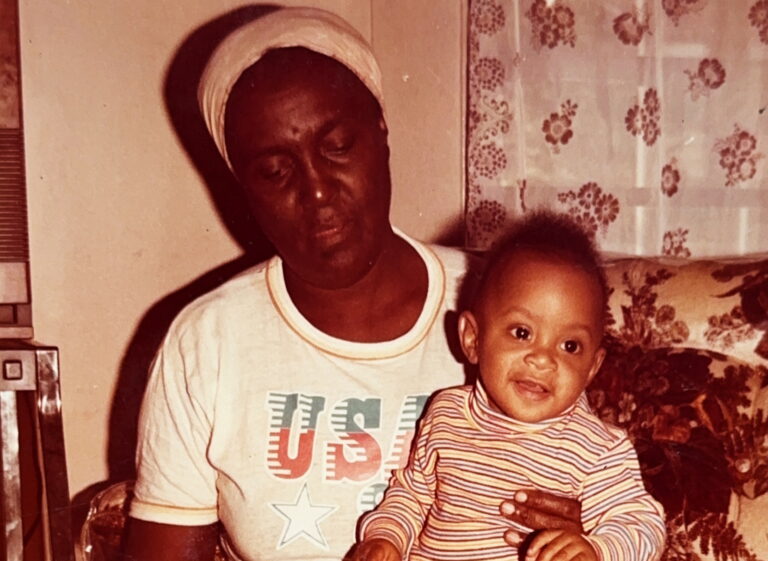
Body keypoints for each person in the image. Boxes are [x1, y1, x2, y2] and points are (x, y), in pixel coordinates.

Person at [121, 8, 586, 561]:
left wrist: (576, 528)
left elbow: (589, 472)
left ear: (382, 135)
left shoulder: (507, 305)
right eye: (275, 171)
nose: (316, 191)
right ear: (243, 189)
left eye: (338, 145)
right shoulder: (208, 340)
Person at [352, 212, 667, 561]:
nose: (543, 359)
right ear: (472, 339)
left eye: (570, 346)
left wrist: (599, 550)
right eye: (522, 333)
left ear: (592, 367)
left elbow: (641, 523)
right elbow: (411, 494)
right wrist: (386, 539)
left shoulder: (597, 449)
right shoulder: (446, 414)